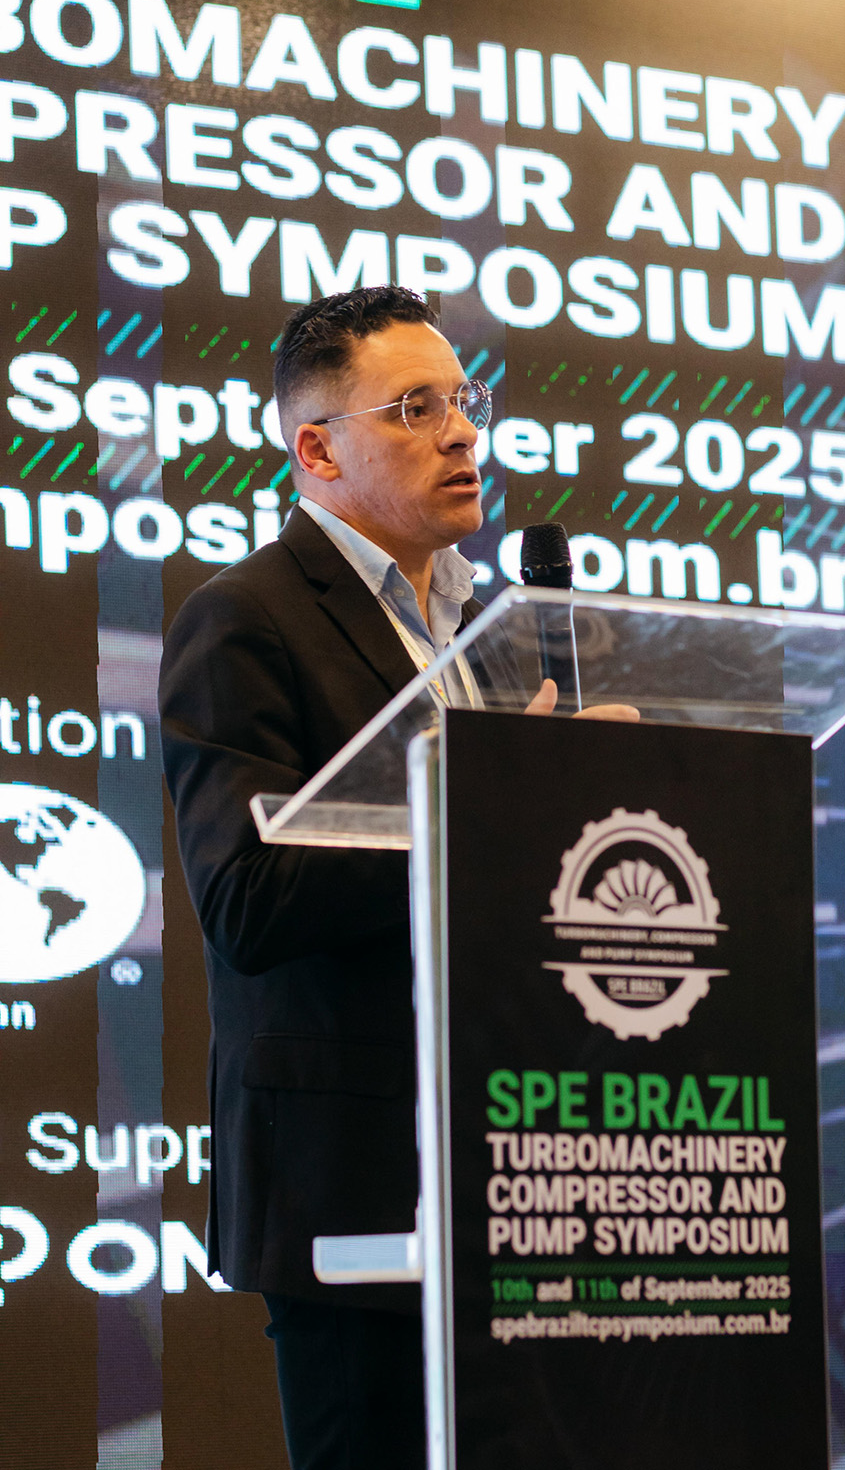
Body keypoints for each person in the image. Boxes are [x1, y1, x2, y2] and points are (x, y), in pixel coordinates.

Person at [159, 285, 635, 1470]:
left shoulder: (501, 633)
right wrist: (487, 802)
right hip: (357, 1187)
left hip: (526, 1171)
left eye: (464, 401)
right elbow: (246, 899)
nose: (462, 433)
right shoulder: (247, 618)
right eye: (415, 408)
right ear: (317, 450)